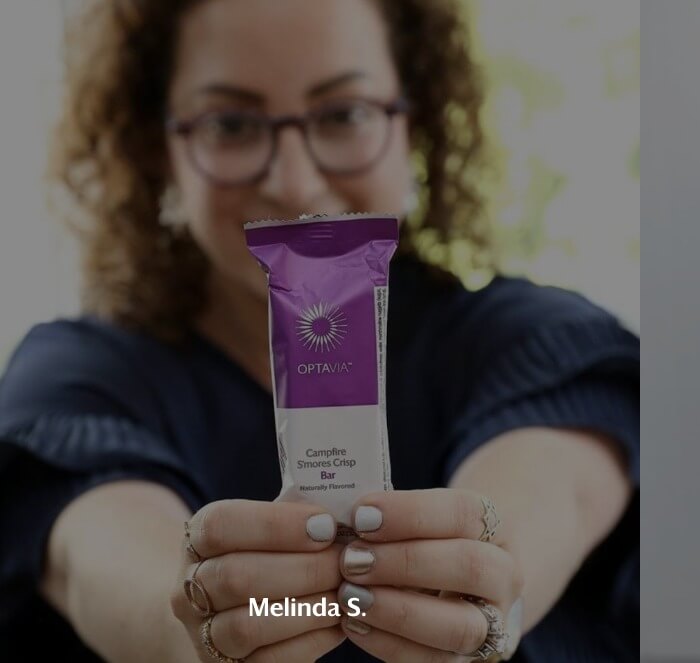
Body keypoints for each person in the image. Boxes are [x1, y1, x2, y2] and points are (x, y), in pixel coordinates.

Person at [0, 0, 638, 660]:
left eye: (342, 113)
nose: (294, 180)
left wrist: (491, 581)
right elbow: (105, 562)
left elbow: (555, 497)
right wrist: (205, 624)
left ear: (414, 117)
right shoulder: (78, 381)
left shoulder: (529, 340)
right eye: (232, 123)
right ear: (157, 144)